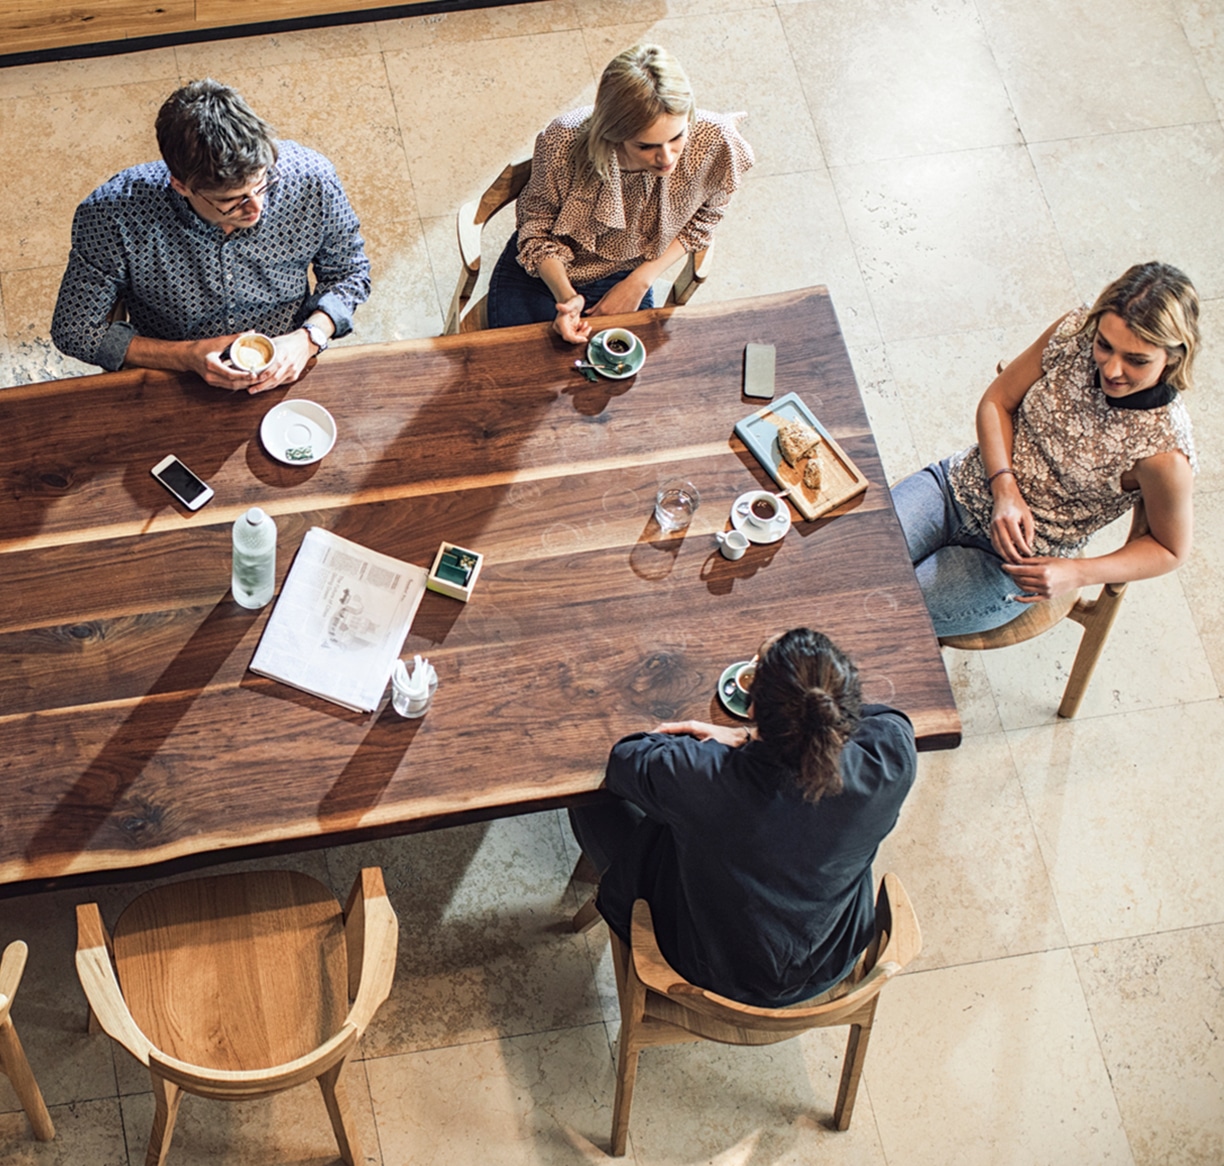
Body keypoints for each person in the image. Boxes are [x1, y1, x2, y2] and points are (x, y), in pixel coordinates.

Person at [569, 628, 916, 1008]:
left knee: (589, 799)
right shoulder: (890, 761)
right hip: (827, 960)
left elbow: (626, 759)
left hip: (705, 970)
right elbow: (883, 720)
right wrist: (758, 738)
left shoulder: (707, 778)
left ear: (751, 709)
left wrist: (740, 738)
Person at [891, 261, 1199, 638]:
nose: (1112, 370)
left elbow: (1171, 549)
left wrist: (1078, 572)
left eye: (1136, 360)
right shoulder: (1074, 332)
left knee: (885, 608)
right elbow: (997, 400)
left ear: (1174, 356)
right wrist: (1005, 489)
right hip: (957, 488)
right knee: (849, 564)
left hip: (1016, 562)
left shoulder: (1164, 452)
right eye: (1104, 345)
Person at [51, 79, 371, 394]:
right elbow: (75, 330)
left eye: (262, 183)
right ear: (181, 186)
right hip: (174, 374)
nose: (256, 207)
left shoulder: (312, 180)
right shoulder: (112, 217)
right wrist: (186, 357)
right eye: (231, 200)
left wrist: (309, 338)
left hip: (288, 359)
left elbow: (349, 273)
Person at [487, 43, 753, 342]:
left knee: (617, 378)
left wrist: (640, 281)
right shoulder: (563, 140)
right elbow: (536, 229)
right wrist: (567, 299)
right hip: (546, 272)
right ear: (613, 136)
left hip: (628, 272)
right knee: (515, 372)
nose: (666, 158)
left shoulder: (717, 141)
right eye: (646, 146)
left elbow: (705, 219)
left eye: (677, 137)